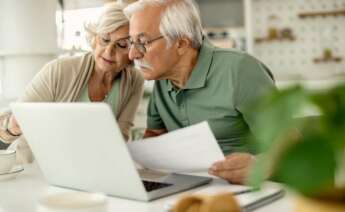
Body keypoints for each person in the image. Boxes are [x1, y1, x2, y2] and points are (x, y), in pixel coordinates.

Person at [124, 0, 275, 184]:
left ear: (181, 43)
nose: (132, 54)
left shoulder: (239, 70)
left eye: (142, 42)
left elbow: (290, 144)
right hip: (191, 188)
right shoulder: (162, 80)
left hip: (250, 190)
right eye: (131, 42)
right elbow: (155, 137)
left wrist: (260, 165)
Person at [0, 2, 144, 162]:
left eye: (122, 45)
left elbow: (120, 138)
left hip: (91, 168)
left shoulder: (134, 81)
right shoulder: (59, 70)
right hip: (34, 167)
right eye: (104, 39)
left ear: (134, 50)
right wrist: (11, 128)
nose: (109, 51)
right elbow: (10, 126)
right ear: (95, 39)